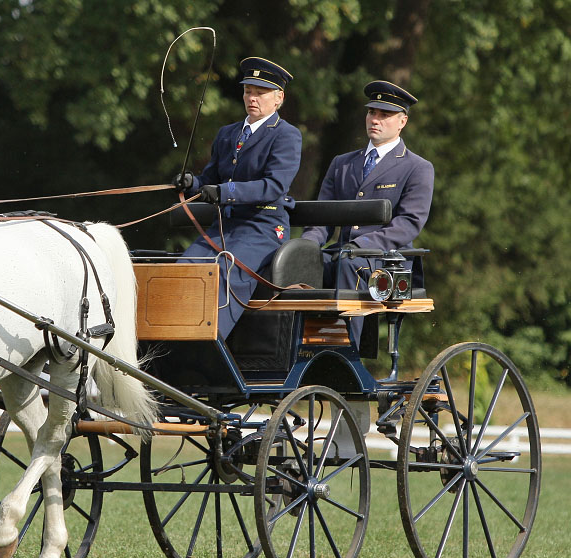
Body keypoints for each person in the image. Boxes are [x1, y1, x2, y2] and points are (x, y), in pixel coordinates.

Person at [174, 57, 302, 339]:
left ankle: (210, 342)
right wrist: (192, 183)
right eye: (248, 91)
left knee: (223, 270)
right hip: (225, 228)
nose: (252, 98)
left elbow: (274, 185)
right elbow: (211, 180)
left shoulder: (286, 136)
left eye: (260, 92)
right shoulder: (227, 134)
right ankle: (174, 341)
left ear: (278, 98)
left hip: (263, 227)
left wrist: (225, 192)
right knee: (183, 270)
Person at [301, 80, 434, 346]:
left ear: (402, 122)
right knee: (294, 265)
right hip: (344, 253)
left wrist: (360, 245)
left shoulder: (417, 167)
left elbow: (408, 224)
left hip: (387, 260)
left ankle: (345, 352)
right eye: (372, 112)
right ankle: (300, 349)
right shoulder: (342, 164)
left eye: (384, 114)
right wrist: (304, 248)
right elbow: (322, 219)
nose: (375, 119)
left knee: (347, 265)